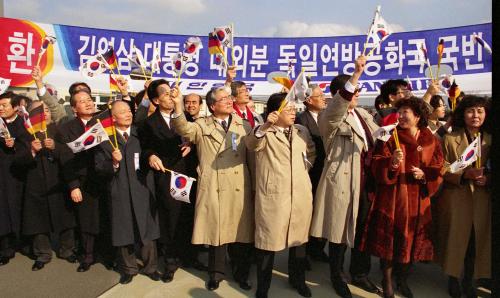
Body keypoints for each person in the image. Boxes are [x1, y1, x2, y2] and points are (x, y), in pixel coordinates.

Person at [171, 86, 254, 292]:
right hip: (214, 184)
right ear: (212, 105)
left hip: (238, 185)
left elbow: (253, 155)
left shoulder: (243, 125)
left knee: (239, 233)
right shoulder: (201, 125)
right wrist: (178, 105)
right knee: (217, 232)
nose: (228, 101)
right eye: (223, 98)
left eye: (229, 98)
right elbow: (183, 128)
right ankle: (216, 274)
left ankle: (241, 273)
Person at [310, 56, 379, 298]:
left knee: (363, 230)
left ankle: (360, 273)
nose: (358, 94)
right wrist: (355, 75)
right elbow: (338, 106)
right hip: (343, 181)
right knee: (338, 232)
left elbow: (377, 137)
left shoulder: (363, 114)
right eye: (354, 90)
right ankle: (337, 275)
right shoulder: (329, 116)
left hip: (367, 181)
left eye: (358, 90)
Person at [361, 97, 444, 298]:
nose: (401, 116)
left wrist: (424, 176)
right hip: (393, 197)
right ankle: (387, 280)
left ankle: (403, 279)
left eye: (406, 112)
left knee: (412, 241)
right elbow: (376, 164)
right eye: (400, 112)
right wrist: (392, 164)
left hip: (418, 199)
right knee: (390, 241)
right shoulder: (390, 136)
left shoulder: (430, 139)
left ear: (418, 116)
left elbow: (438, 166)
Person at [246, 93, 316, 298]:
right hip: (274, 195)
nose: (294, 113)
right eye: (289, 109)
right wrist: (265, 126)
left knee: (299, 241)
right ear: (275, 112)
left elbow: (311, 152)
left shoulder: (302, 131)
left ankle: (298, 280)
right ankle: (263, 287)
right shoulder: (263, 132)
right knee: (268, 242)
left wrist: (302, 172)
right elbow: (251, 144)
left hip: (300, 194)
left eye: (295, 109)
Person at [95, 101, 161, 284]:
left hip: (142, 188)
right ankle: (129, 268)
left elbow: (151, 151)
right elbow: (99, 168)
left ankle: (151, 267)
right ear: (113, 117)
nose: (128, 114)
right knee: (122, 230)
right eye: (122, 112)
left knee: (148, 229)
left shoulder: (140, 133)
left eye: (129, 111)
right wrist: (113, 162)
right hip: (119, 190)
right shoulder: (105, 139)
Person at [434, 96, 491, 298]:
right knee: (456, 240)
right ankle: (453, 279)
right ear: (462, 114)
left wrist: (489, 178)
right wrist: (464, 174)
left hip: (483, 199)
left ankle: (470, 280)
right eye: (470, 111)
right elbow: (440, 166)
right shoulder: (450, 138)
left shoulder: (490, 139)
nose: (475, 115)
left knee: (477, 242)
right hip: (456, 197)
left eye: (480, 111)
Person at [139, 79, 195, 283]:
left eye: (172, 93)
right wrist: (150, 155)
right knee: (170, 219)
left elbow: (196, 137)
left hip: (188, 174)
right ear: (155, 99)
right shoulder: (149, 123)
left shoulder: (186, 116)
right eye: (165, 94)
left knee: (188, 216)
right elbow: (144, 147)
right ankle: (170, 261)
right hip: (167, 175)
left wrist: (192, 143)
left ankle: (190, 256)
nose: (171, 97)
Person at [22, 101, 77, 271]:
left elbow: (68, 154)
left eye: (46, 110)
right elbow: (16, 161)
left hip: (58, 181)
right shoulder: (25, 134)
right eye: (39, 110)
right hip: (35, 182)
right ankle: (42, 253)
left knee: (65, 218)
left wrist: (55, 147)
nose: (44, 113)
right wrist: (31, 151)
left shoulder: (59, 130)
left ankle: (67, 250)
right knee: (37, 220)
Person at [55, 90, 103, 272]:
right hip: (83, 181)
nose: (89, 103)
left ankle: (106, 253)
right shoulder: (65, 129)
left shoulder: (103, 123)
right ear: (74, 108)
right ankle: (88, 255)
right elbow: (65, 161)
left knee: (106, 217)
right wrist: (73, 185)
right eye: (82, 102)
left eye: (89, 100)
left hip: (106, 179)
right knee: (87, 221)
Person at [295, 84, 329, 263]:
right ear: (309, 100)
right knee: (310, 213)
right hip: (311, 173)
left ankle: (318, 248)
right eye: (320, 95)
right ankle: (306, 251)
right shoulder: (301, 120)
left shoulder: (326, 117)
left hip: (327, 171)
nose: (324, 98)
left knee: (324, 212)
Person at [0, 92, 32, 266]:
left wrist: (15, 146)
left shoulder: (24, 124)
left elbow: (29, 147)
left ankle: (24, 243)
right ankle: (6, 248)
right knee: (3, 211)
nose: (1, 109)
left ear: (15, 107)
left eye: (4, 105)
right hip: (2, 175)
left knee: (21, 209)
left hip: (20, 174)